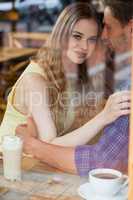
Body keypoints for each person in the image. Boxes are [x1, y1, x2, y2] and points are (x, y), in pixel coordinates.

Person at [0, 2, 130, 147]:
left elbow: (83, 127)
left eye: (91, 39)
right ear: (61, 35)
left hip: (38, 164)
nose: (84, 47)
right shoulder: (35, 80)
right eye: (77, 36)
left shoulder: (75, 74)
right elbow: (49, 146)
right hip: (8, 164)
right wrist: (104, 116)